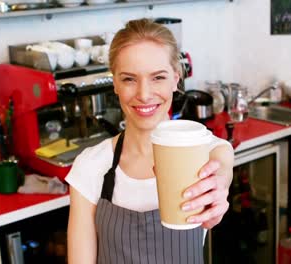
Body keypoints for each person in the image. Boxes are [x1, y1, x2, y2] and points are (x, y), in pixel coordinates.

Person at [66, 18, 234, 264]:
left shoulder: (201, 152)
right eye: (129, 79)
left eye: (158, 77)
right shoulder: (91, 167)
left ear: (176, 79)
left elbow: (222, 161)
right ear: (114, 83)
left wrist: (217, 188)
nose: (144, 94)